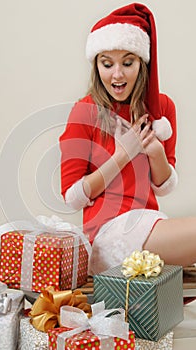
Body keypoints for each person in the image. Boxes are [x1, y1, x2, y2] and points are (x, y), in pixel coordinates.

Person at [59, 2, 196, 275]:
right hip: (109, 233)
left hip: (149, 223)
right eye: (107, 64)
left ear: (142, 64)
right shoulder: (85, 112)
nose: (117, 74)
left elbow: (163, 186)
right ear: (96, 65)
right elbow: (73, 197)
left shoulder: (161, 109)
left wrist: (155, 152)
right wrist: (122, 155)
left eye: (128, 63)